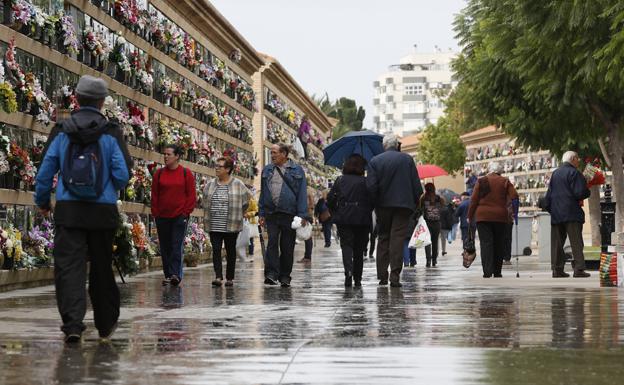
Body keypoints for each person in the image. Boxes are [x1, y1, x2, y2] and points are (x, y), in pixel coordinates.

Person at [34, 75, 132, 343]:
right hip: (102, 212)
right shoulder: (111, 132)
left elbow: (45, 173)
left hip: (69, 210)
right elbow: (123, 174)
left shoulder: (62, 131)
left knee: (69, 268)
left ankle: (73, 324)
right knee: (101, 267)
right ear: (102, 102)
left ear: (76, 98)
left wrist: (43, 201)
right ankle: (105, 324)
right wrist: (107, 186)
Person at [367, 134, 423, 287]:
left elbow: (371, 187)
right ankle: (395, 276)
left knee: (383, 237)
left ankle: (382, 275)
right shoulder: (407, 160)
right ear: (397, 145)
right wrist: (416, 203)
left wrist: (375, 204)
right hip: (403, 206)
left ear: (384, 146)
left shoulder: (375, 161)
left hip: (383, 206)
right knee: (397, 239)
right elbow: (417, 186)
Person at [259, 143, 308, 287]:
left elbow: (302, 194)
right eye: (272, 153)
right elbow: (263, 193)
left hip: (290, 213)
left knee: (287, 246)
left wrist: (302, 215)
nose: (272, 155)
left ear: (284, 154)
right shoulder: (267, 170)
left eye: (275, 153)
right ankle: (272, 274)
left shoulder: (297, 170)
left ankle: (285, 276)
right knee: (272, 244)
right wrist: (261, 212)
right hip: (271, 213)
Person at [151, 144, 197, 287]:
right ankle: (168, 274)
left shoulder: (186, 173)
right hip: (162, 216)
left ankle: (176, 274)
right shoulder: (159, 173)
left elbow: (191, 195)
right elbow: (155, 195)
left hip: (179, 216)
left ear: (177, 156)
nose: (165, 156)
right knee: (165, 246)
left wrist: (185, 212)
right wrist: (156, 213)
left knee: (176, 245)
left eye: (169, 154)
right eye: (164, 154)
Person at [203, 157, 251, 287]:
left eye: (220, 166)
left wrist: (240, 212)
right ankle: (218, 277)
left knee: (230, 250)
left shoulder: (238, 184)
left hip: (232, 224)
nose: (216, 168)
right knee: (216, 249)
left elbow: (247, 200)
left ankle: (230, 278)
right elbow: (205, 201)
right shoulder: (210, 184)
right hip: (214, 224)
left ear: (228, 169)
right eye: (216, 165)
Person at [327, 154, 374, 287]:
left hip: (344, 217)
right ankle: (358, 278)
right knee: (359, 249)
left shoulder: (340, 180)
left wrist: (335, 212)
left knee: (346, 246)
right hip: (362, 218)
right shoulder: (366, 181)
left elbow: (331, 199)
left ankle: (348, 271)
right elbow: (372, 199)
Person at [543, 151, 591, 278]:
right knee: (576, 242)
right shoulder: (575, 173)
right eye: (577, 159)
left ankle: (557, 270)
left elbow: (548, 196)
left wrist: (551, 210)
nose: (578, 161)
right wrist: (586, 188)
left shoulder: (555, 173)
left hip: (557, 213)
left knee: (557, 243)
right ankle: (579, 269)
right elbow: (579, 193)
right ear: (573, 159)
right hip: (572, 212)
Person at [468, 162, 518, 278]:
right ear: (499, 171)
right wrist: (514, 213)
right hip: (500, 217)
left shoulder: (481, 181)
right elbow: (514, 196)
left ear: (489, 170)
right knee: (498, 244)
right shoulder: (505, 181)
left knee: (486, 243)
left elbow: (474, 200)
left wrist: (470, 216)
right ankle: (497, 271)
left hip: (483, 217)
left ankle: (487, 271)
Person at [419, 183, 445, 267]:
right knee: (435, 242)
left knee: (427, 242)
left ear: (426, 189)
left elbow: (420, 208)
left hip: (427, 223)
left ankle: (428, 261)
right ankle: (434, 260)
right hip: (437, 223)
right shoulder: (439, 198)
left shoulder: (423, 198)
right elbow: (443, 207)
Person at [299, 189, 316, 263]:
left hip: (306, 215)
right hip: (306, 214)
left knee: (308, 237)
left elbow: (311, 204)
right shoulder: (308, 191)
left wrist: (306, 216)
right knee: (308, 236)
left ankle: (307, 257)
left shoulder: (307, 191)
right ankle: (307, 256)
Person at [245, 187, 258, 259]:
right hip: (242, 222)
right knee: (242, 238)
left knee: (250, 238)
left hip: (249, 222)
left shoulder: (252, 201)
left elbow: (256, 211)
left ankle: (250, 254)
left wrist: (248, 214)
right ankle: (242, 254)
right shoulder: (242, 200)